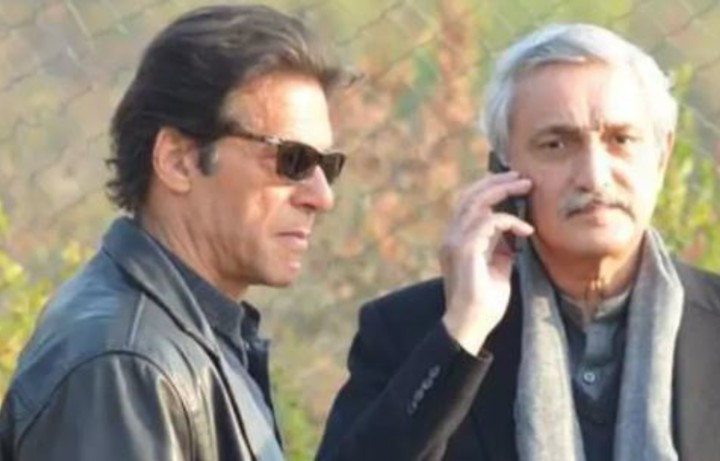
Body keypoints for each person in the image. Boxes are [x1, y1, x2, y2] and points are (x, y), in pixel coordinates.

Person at [317, 23, 720, 461]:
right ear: (504, 170)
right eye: (555, 144)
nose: (594, 176)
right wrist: (463, 330)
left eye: (621, 141)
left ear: (661, 158)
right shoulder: (412, 332)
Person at [0, 4, 352, 460]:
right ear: (177, 161)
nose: (321, 197)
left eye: (327, 165)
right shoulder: (125, 368)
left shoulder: (183, 340)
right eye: (293, 160)